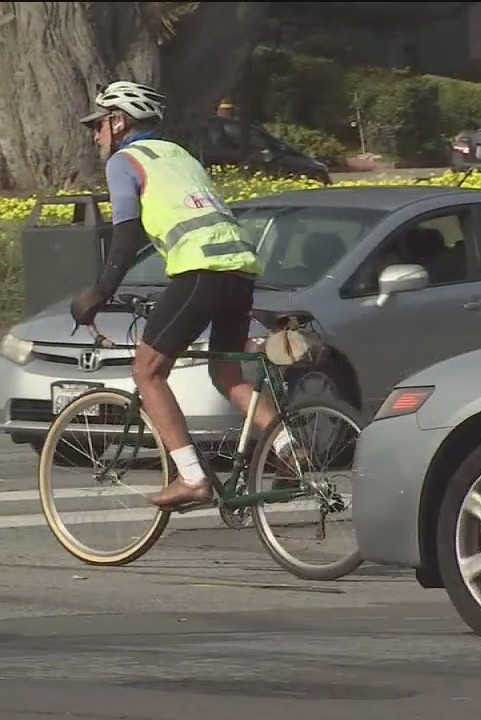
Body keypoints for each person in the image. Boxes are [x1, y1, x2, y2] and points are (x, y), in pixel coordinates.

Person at [70, 80, 296, 510]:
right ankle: (291, 452)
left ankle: (192, 477)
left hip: (198, 271)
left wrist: (101, 290)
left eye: (98, 124)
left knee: (148, 371)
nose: (96, 134)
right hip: (240, 269)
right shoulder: (180, 156)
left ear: (119, 122)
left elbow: (126, 230)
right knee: (229, 375)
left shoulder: (125, 160)